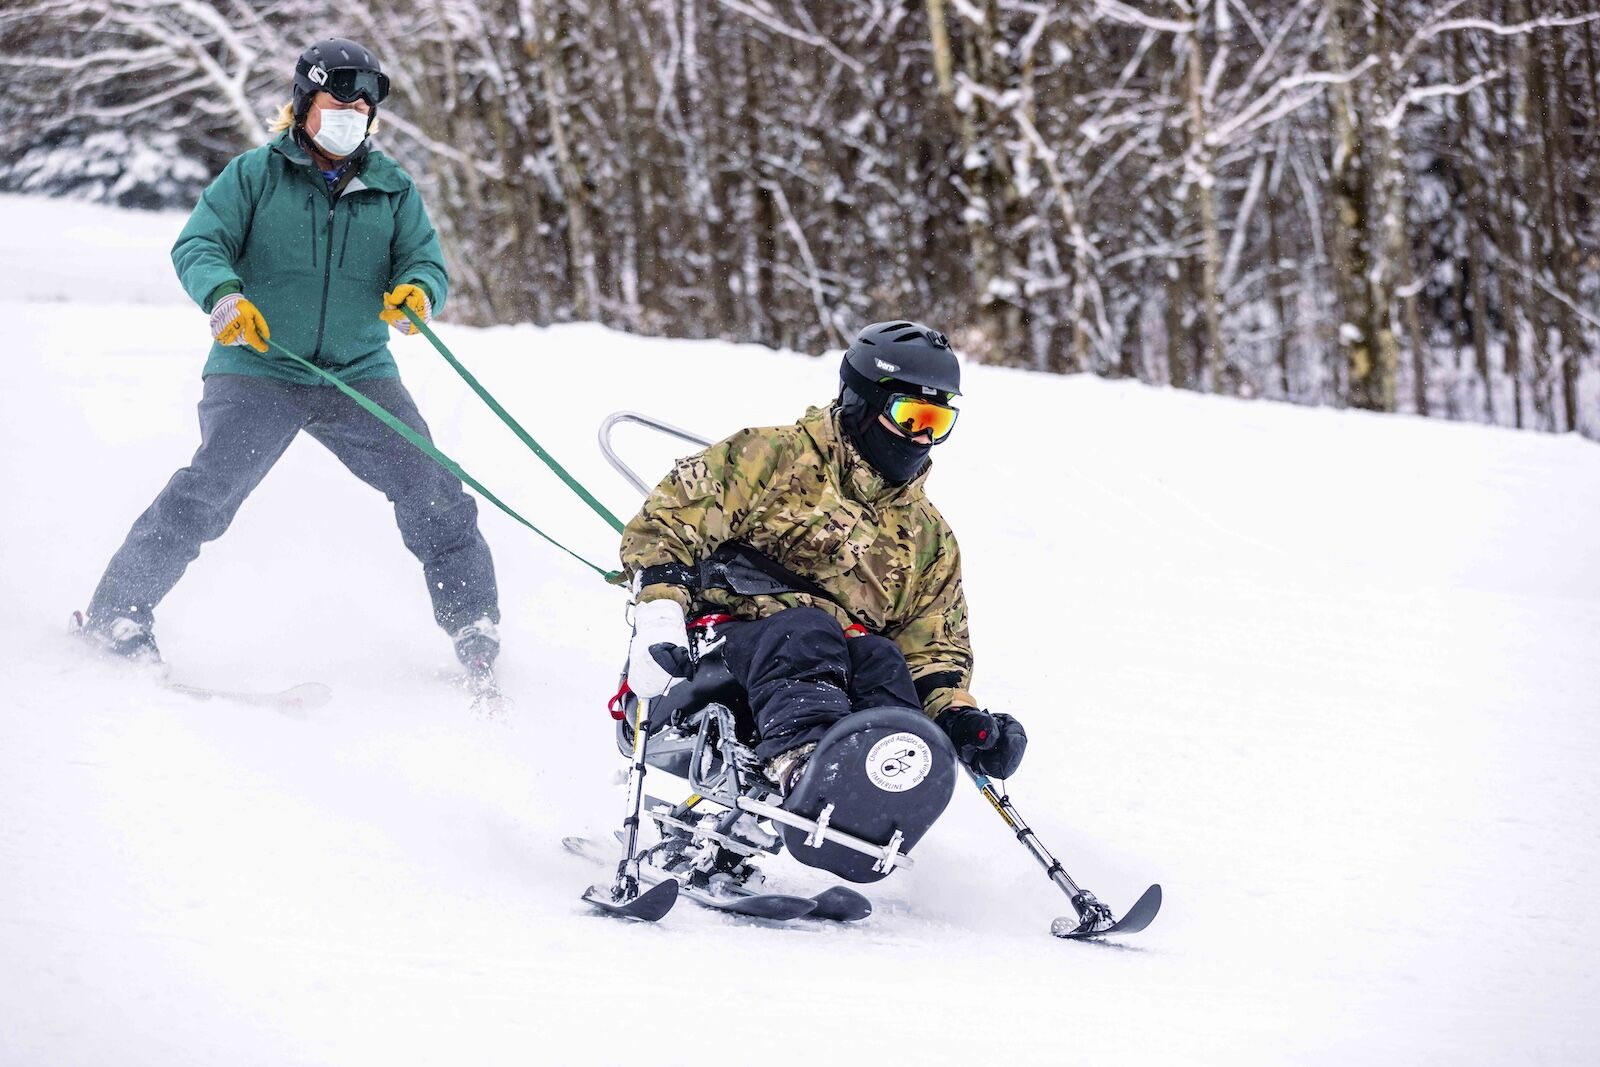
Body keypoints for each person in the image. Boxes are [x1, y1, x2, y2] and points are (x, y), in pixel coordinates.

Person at [80, 38, 501, 681]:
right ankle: (119, 610)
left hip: (356, 371)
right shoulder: (254, 174)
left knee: (432, 485)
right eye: (339, 101)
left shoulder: (391, 186)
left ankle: (474, 623)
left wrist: (421, 290)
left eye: (362, 105)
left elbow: (423, 260)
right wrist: (223, 297)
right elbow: (199, 245)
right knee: (208, 491)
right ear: (305, 104)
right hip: (258, 365)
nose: (352, 114)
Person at [618, 320, 1027, 792]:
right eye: (911, 416)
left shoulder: (927, 537)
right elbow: (665, 524)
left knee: (880, 659)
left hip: (833, 679)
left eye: (937, 423)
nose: (921, 439)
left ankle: (892, 782)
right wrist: (660, 613)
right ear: (863, 401)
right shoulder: (770, 457)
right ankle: (810, 768)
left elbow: (933, 649)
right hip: (715, 654)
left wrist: (959, 718)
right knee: (807, 630)